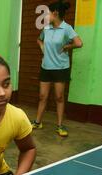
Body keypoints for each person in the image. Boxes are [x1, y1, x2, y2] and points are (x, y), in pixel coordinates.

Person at [31, 0, 83, 137]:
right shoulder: (46, 28)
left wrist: (67, 46)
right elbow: (39, 39)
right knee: (43, 96)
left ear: (55, 13)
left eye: (48, 13)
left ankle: (60, 125)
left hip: (60, 68)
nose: (46, 16)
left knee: (59, 97)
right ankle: (37, 122)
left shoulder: (67, 28)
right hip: (46, 67)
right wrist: (43, 49)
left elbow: (79, 43)